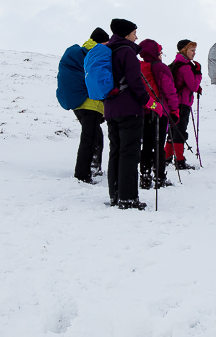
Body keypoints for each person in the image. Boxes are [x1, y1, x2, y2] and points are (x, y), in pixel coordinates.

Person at [100, 19, 163, 210]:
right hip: (129, 110)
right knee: (129, 152)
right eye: (135, 32)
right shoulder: (127, 52)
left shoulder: (108, 51)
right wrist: (150, 103)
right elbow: (136, 83)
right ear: (126, 34)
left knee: (116, 152)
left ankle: (116, 195)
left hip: (111, 109)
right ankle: (128, 198)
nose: (137, 36)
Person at [56, 27, 109, 183]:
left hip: (77, 103)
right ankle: (82, 174)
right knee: (89, 138)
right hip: (90, 103)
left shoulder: (80, 52)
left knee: (95, 135)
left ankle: (94, 167)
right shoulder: (96, 53)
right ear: (103, 42)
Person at [137, 39, 179, 189]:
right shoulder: (161, 67)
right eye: (159, 51)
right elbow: (169, 90)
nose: (161, 54)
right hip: (160, 111)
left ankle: (145, 176)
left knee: (147, 144)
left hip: (146, 110)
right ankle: (159, 177)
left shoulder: (140, 67)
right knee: (159, 144)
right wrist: (174, 110)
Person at [167, 39, 202, 170]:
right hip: (183, 103)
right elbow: (193, 86)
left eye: (194, 50)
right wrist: (198, 73)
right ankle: (179, 160)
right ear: (184, 50)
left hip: (174, 103)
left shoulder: (175, 64)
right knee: (180, 131)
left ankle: (167, 156)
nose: (194, 53)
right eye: (192, 50)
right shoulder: (186, 67)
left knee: (173, 130)